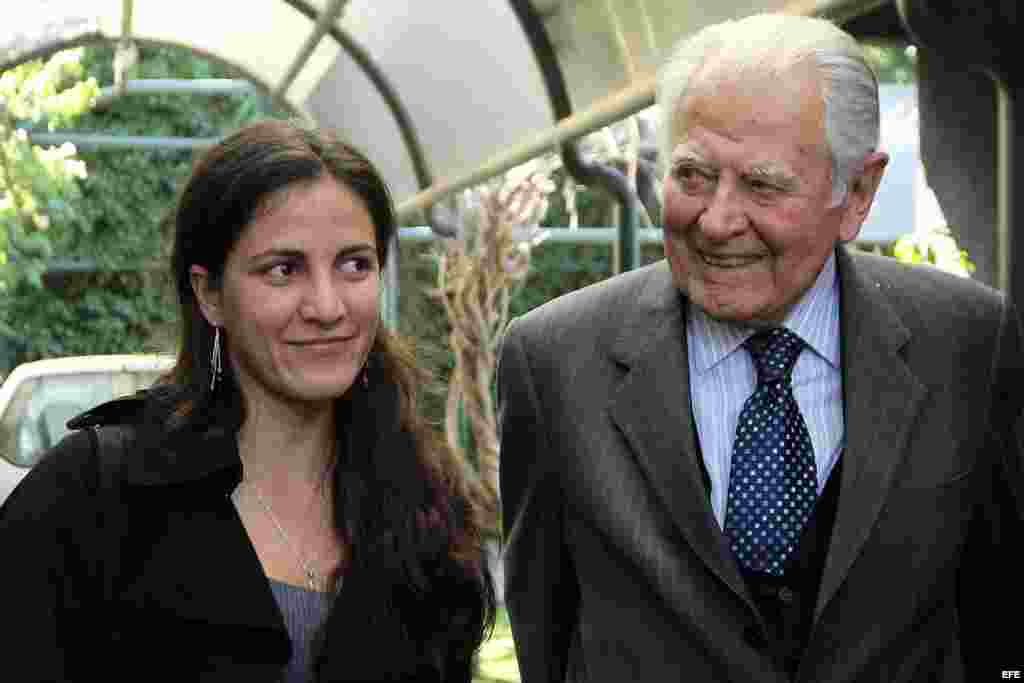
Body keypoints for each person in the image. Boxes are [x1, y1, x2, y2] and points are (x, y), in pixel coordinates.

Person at [497, 12, 1022, 683]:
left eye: (763, 185)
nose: (716, 220)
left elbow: (999, 619)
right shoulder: (552, 363)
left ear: (858, 191)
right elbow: (547, 629)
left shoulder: (969, 341)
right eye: (691, 175)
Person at [0, 119, 495, 681]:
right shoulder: (92, 497)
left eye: (354, 264)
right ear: (209, 293)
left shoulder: (427, 504)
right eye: (284, 270)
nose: (327, 305)